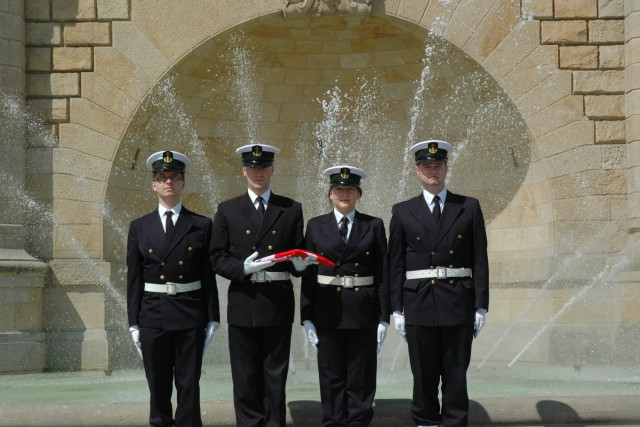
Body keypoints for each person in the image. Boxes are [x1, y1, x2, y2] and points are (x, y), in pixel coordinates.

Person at [210, 144, 312, 427]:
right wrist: (241, 268)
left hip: (276, 303)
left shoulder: (291, 209)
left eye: (263, 167)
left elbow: (296, 255)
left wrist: (300, 265)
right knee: (245, 378)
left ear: (272, 170)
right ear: (244, 171)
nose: (258, 172)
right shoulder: (228, 210)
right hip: (244, 301)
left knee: (275, 376)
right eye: (252, 168)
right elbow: (216, 257)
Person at [389, 140, 489, 427]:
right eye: (426, 166)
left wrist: (481, 305)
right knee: (423, 377)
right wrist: (396, 309)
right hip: (419, 304)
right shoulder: (402, 211)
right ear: (417, 171)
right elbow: (395, 264)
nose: (432, 171)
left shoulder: (468, 207)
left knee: (456, 377)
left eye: (437, 165)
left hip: (458, 302)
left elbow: (479, 259)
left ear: (446, 168)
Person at [127, 150, 220, 427]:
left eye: (174, 177)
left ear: (183, 184)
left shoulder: (201, 225)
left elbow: (208, 275)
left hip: (189, 314)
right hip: (153, 315)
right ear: (153, 184)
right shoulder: (139, 227)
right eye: (162, 177)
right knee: (158, 387)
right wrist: (134, 323)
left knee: (189, 386)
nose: (169, 181)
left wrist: (212, 316)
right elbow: (134, 279)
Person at [301, 165, 390, 426]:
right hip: (327, 312)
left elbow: (382, 274)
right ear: (330, 193)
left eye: (350, 189)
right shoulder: (315, 226)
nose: (344, 194)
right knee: (331, 380)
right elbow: (308, 273)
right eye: (339, 189)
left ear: (359, 194)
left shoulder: (373, 225)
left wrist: (384, 318)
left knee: (361, 381)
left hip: (363, 312)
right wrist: (306, 316)